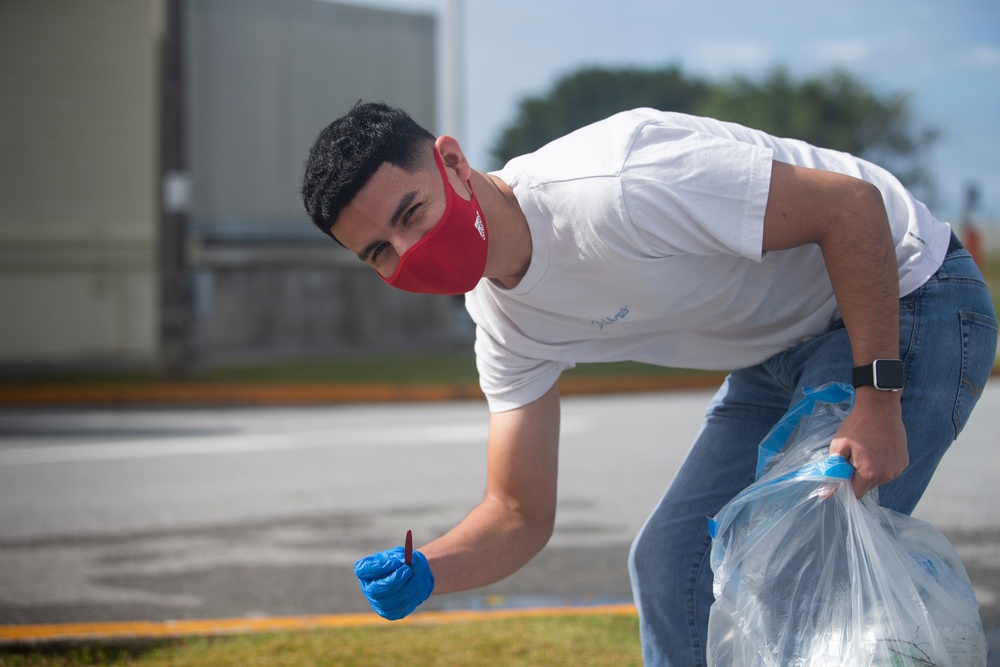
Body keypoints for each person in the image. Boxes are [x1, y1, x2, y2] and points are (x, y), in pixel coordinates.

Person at [300, 101, 997, 665]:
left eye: (410, 213)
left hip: (909, 296)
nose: (409, 249)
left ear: (452, 162)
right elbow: (517, 512)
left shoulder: (616, 184)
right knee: (669, 566)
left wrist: (878, 394)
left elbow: (851, 207)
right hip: (782, 347)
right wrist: (430, 569)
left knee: (795, 560)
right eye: (380, 252)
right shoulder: (505, 322)